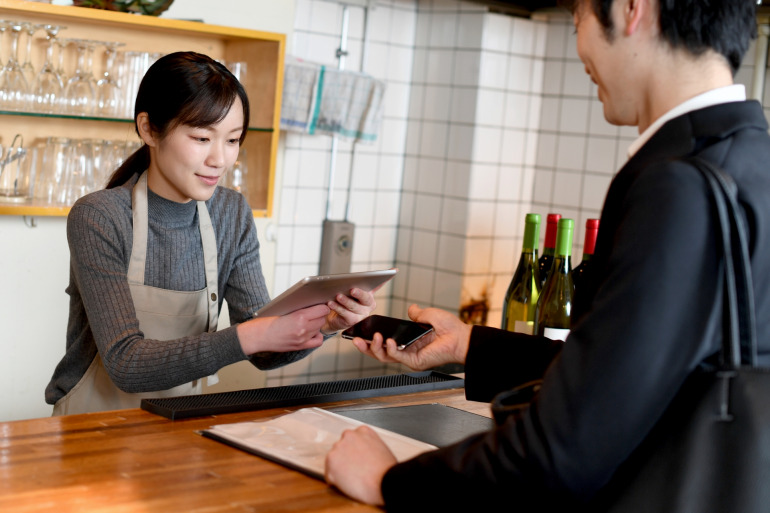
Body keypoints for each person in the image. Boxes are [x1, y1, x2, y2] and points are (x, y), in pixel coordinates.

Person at [325, 0, 770, 509]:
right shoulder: (750, 160)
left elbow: (567, 447)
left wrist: (388, 480)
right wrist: (472, 346)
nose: (578, 41)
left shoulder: (678, 184)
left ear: (631, 9)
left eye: (579, 13)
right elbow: (634, 371)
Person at [45, 51, 376, 415]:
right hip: (91, 430)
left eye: (232, 140)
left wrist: (325, 323)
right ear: (149, 129)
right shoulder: (100, 216)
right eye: (202, 138)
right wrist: (251, 336)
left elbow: (262, 352)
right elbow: (126, 364)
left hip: (180, 423)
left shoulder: (231, 213)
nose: (220, 159)